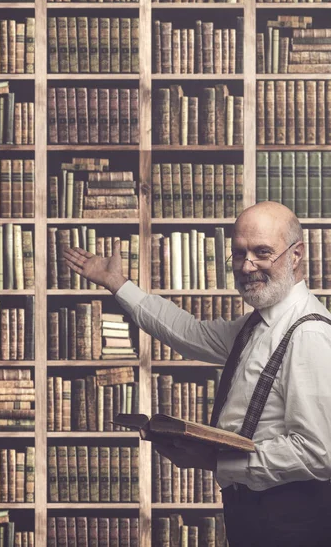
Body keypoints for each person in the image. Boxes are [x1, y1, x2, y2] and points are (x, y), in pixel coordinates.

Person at [63, 201, 331, 547]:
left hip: (290, 519)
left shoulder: (308, 334)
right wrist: (119, 284)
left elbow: (318, 452)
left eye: (263, 252)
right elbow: (189, 334)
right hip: (252, 511)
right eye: (239, 253)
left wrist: (218, 461)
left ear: (296, 256)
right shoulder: (256, 324)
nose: (248, 265)